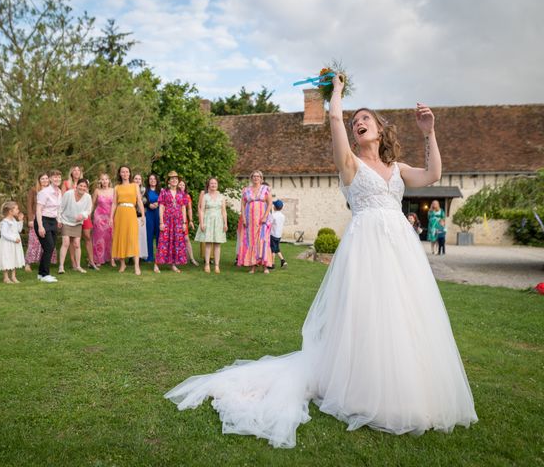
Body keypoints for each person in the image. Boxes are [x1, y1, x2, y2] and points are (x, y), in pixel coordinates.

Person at [165, 74, 477, 448]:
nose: (357, 123)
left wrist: (429, 133)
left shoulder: (397, 169)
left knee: (403, 312)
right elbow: (333, 122)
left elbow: (434, 175)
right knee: (366, 314)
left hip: (400, 246)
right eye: (353, 121)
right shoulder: (348, 163)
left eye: (365, 119)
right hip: (365, 247)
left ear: (380, 129)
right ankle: (363, 387)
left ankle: (409, 386)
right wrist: (338, 95)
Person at [110, 166, 146, 275]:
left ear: (130, 174)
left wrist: (143, 215)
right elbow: (114, 203)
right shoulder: (117, 187)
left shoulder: (134, 186)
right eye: (123, 172)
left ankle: (136, 266)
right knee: (120, 237)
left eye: (127, 172)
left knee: (133, 238)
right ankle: (122, 264)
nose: (125, 174)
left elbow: (139, 201)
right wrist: (110, 217)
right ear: (120, 174)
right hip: (120, 214)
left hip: (131, 213)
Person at [237, 170, 273, 274]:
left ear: (261, 179)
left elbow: (269, 203)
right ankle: (252, 266)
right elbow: (243, 205)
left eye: (258, 176)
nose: (256, 178)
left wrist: (265, 217)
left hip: (262, 220)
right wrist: (243, 218)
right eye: (254, 176)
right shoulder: (246, 190)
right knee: (251, 241)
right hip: (250, 220)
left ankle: (265, 266)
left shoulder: (266, 189)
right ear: (251, 178)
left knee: (263, 240)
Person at [62, 165, 96, 269]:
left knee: (87, 236)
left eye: (78, 170)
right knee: (73, 239)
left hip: (83, 214)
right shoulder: (66, 183)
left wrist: (86, 214)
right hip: (71, 216)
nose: (76, 172)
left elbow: (88, 200)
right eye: (74, 170)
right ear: (71, 172)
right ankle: (74, 263)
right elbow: (63, 200)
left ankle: (91, 261)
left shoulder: (85, 182)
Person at [154, 171, 188, 273]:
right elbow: (161, 207)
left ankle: (173, 264)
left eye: (176, 178)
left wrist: (184, 223)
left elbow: (183, 208)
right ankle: (156, 264)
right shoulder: (164, 192)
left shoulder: (182, 193)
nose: (174, 180)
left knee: (176, 242)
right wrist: (161, 222)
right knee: (163, 242)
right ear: (168, 181)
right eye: (172, 178)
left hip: (178, 222)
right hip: (167, 221)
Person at [58, 178, 92, 274]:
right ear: (76, 186)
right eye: (81, 185)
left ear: (86, 188)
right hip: (66, 220)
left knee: (77, 244)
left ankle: (78, 266)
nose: (82, 188)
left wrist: (83, 215)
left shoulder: (88, 197)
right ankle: (61, 267)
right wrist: (59, 220)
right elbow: (60, 207)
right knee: (66, 242)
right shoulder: (68, 194)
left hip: (77, 223)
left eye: (84, 186)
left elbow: (88, 210)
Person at [195, 177, 227, 274]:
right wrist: (201, 222)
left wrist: (225, 223)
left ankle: (217, 266)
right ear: (209, 185)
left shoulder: (222, 197)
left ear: (217, 185)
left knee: (217, 244)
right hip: (207, 220)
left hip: (218, 221)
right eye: (211, 183)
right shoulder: (205, 196)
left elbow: (224, 211)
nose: (213, 185)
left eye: (215, 183)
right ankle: (207, 264)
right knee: (208, 243)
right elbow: (201, 210)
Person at [25, 172, 56, 272]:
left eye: (46, 178)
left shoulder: (52, 191)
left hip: (48, 219)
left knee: (47, 242)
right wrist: (30, 219)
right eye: (42, 179)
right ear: (39, 180)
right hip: (36, 218)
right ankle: (28, 263)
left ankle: (44, 262)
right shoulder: (34, 190)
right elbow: (29, 205)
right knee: (33, 241)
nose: (45, 180)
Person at [35, 169, 62, 283]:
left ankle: (41, 274)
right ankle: (46, 275)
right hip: (43, 221)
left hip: (53, 221)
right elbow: (38, 210)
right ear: (50, 179)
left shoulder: (59, 192)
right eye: (54, 177)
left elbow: (58, 208)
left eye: (59, 177)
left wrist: (58, 219)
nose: (57, 179)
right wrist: (41, 226)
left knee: (50, 248)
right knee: (49, 247)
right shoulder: (44, 192)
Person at [0, 201, 25, 283]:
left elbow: (19, 230)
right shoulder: (5, 222)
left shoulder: (14, 220)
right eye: (16, 209)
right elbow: (4, 234)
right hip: (7, 244)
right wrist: (14, 239)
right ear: (10, 211)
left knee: (14, 258)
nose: (18, 210)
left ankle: (13, 276)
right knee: (7, 258)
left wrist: (20, 221)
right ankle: (6, 277)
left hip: (15, 244)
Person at [91, 173, 114, 267]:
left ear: (109, 180)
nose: (104, 181)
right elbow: (92, 204)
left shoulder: (113, 190)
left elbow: (115, 204)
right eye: (102, 179)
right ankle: (99, 259)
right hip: (99, 217)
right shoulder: (97, 191)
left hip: (110, 216)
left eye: (106, 179)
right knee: (99, 238)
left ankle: (112, 259)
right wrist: (89, 214)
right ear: (100, 181)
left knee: (111, 237)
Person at [178, 179, 199, 266]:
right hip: (173, 219)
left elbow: (189, 209)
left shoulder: (187, 196)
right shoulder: (173, 194)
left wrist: (190, 220)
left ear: (185, 187)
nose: (181, 186)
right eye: (180, 185)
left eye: (183, 185)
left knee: (186, 239)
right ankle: (177, 259)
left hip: (183, 219)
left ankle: (192, 258)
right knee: (176, 239)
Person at [144, 174, 161, 262]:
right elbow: (143, 201)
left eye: (154, 179)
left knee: (159, 235)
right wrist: (149, 205)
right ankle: (149, 256)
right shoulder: (145, 190)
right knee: (149, 235)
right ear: (148, 181)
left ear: (157, 180)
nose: (152, 180)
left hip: (158, 214)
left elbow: (164, 201)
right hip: (149, 214)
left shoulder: (160, 191)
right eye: (150, 179)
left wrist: (158, 204)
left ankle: (159, 256)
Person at [133, 173, 149, 261]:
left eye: (139, 179)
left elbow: (147, 202)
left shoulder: (144, 190)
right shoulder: (130, 189)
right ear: (133, 180)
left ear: (141, 181)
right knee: (132, 236)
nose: (137, 180)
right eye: (136, 178)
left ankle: (140, 255)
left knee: (141, 236)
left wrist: (140, 198)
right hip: (131, 215)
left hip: (141, 216)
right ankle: (132, 257)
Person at [270, 199, 287, 268]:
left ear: (274, 207)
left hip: (273, 234)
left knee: (272, 250)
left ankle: (272, 264)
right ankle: (283, 261)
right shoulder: (283, 216)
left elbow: (270, 223)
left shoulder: (273, 215)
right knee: (277, 249)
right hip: (279, 235)